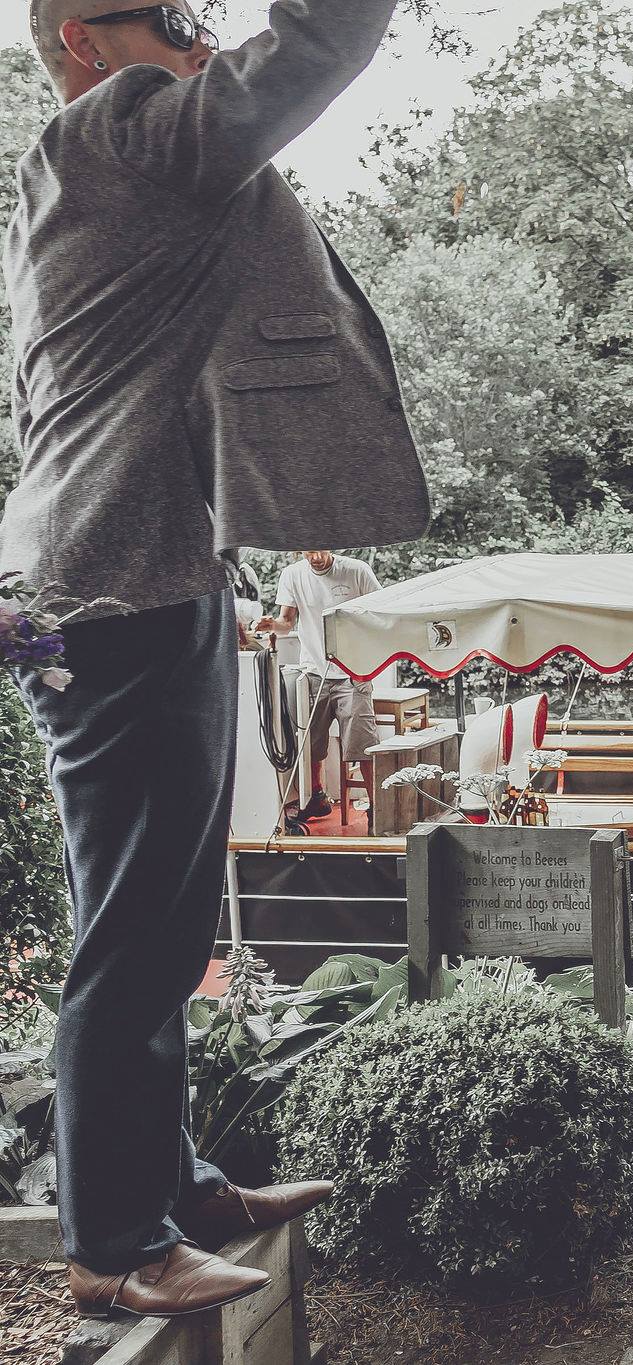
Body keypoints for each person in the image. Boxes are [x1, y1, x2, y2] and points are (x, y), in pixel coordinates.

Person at [2, 0, 429, 1319]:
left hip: (122, 576)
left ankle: (169, 1187)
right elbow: (310, 49)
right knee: (134, 929)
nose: (199, 39)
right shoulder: (122, 131)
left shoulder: (89, 169)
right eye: (177, 17)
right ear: (84, 35)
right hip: (119, 586)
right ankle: (114, 1240)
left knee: (163, 919)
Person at [260, 550, 381, 819]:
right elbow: (287, 622)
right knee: (311, 743)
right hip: (315, 670)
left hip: (354, 673)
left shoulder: (356, 570)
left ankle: (377, 808)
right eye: (308, 551)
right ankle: (316, 797)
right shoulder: (293, 575)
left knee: (362, 746)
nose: (315, 556)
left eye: (320, 549)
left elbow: (379, 610)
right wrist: (271, 625)